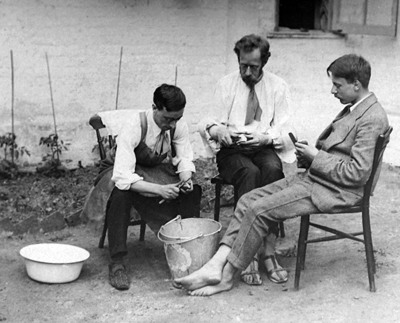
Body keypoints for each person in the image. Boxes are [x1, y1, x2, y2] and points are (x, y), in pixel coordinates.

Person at [176, 54, 390, 296]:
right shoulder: (355, 109)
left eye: (337, 85)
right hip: (320, 180)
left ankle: (227, 275)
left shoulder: (372, 117)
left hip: (337, 190)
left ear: (356, 85)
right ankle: (215, 266)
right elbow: (341, 154)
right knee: (247, 200)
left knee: (259, 210)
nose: (332, 91)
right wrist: (310, 156)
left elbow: (358, 173)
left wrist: (315, 157)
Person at [198, 34, 296, 285]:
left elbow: (285, 127)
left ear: (265, 61)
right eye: (243, 65)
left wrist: (266, 139)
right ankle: (247, 253)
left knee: (273, 171)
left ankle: (268, 250)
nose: (247, 71)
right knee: (249, 173)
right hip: (233, 151)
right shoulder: (226, 84)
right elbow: (209, 121)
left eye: (253, 66)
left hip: (262, 146)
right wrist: (217, 130)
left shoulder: (278, 86)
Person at [88, 84, 202, 291]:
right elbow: (123, 176)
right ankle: (117, 262)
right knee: (121, 193)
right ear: (155, 108)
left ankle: (185, 249)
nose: (172, 123)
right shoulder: (134, 125)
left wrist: (186, 179)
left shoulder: (177, 124)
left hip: (151, 168)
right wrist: (159, 190)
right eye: (168, 118)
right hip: (118, 171)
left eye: (177, 118)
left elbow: (184, 157)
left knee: (193, 191)